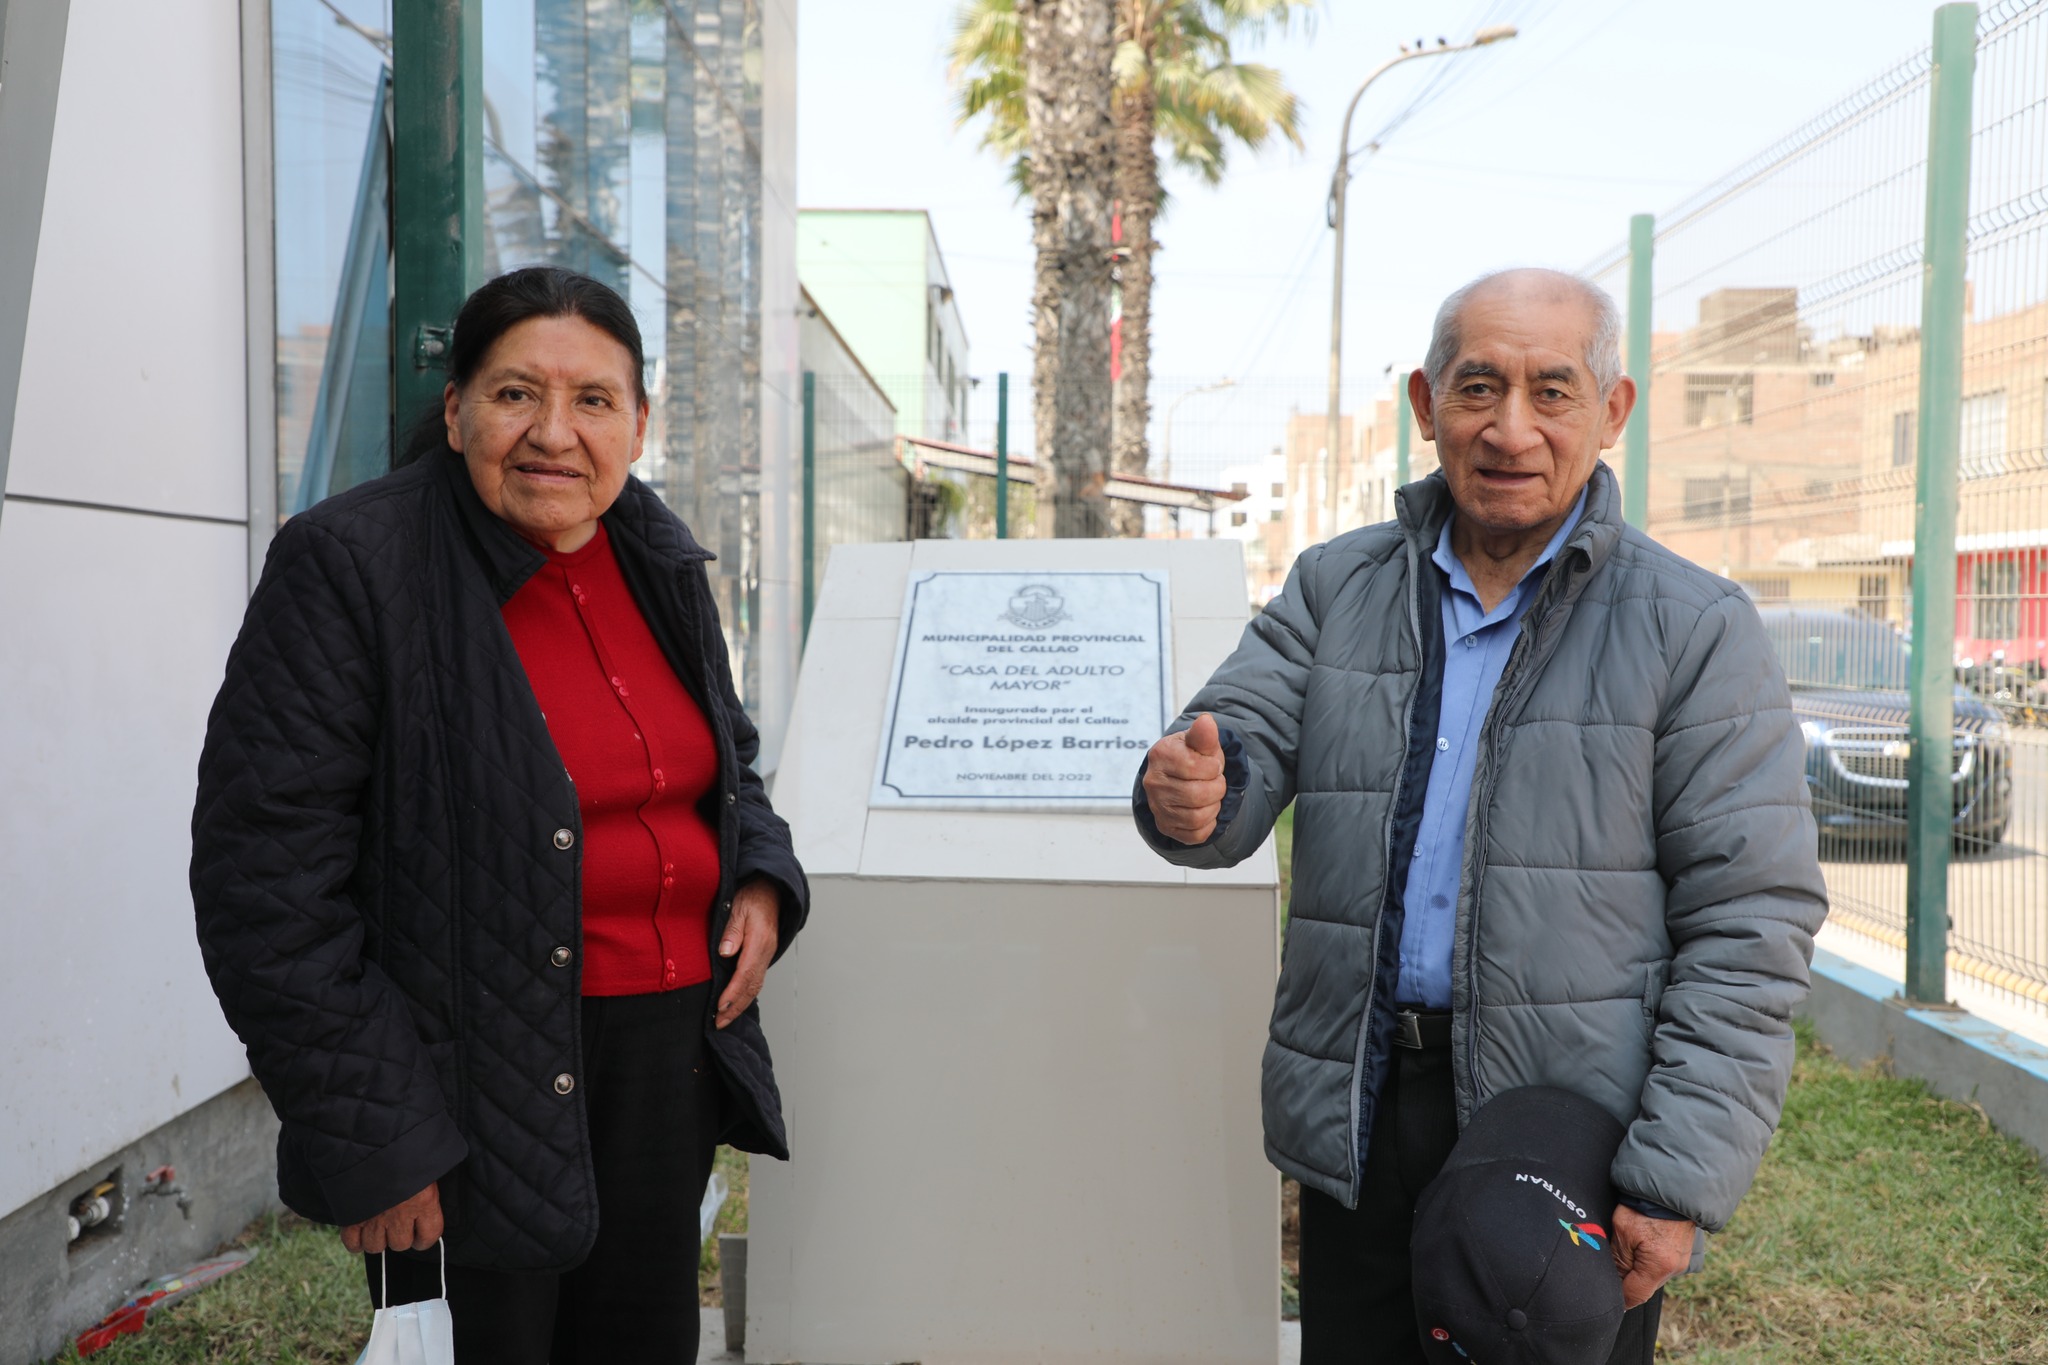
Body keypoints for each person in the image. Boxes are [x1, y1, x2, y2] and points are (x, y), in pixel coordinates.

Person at [1134, 268, 1827, 1364]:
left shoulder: (1692, 628)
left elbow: (1751, 921)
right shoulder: (1334, 586)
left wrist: (1672, 1177)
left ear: (1611, 411)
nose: (1510, 429)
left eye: (1551, 392)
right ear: (1424, 405)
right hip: (1361, 1104)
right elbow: (1234, 746)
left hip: (1561, 1131)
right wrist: (1186, 795)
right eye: (1475, 389)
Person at [192, 266, 807, 1362]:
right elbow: (265, 884)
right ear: (456, 409)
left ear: (639, 422)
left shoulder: (656, 557)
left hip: (665, 1060)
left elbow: (725, 762)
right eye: (517, 394)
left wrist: (756, 875)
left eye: (592, 401)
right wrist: (376, 1138)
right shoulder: (352, 565)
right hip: (468, 1071)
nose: (554, 435)